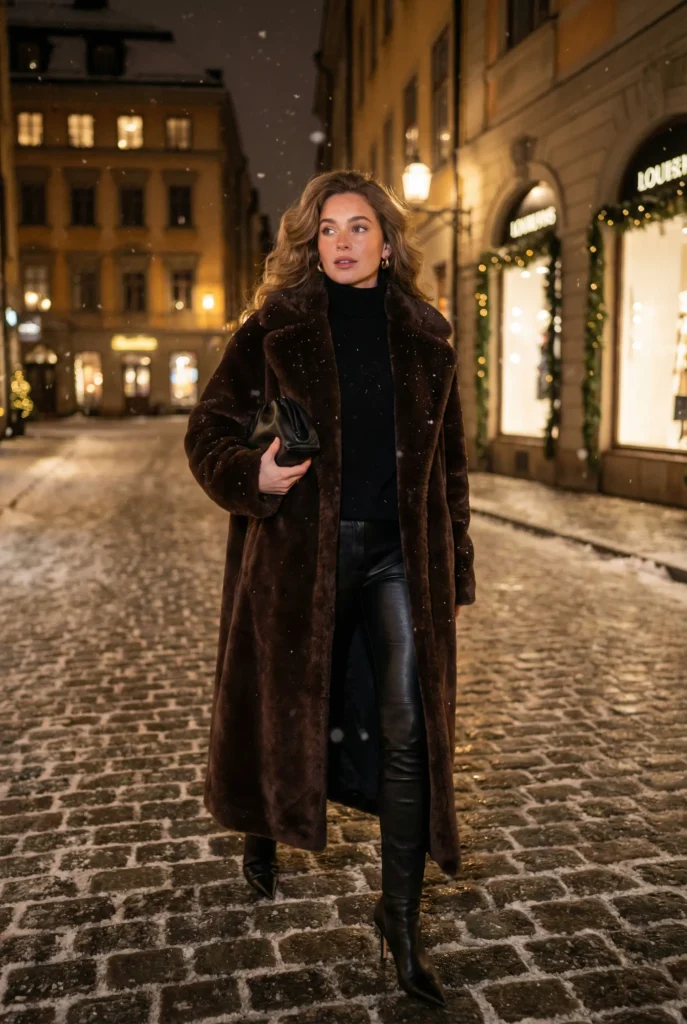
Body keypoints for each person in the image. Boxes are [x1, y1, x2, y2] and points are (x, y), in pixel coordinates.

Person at [184, 169, 476, 1009]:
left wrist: (452, 562)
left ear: (387, 241)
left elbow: (449, 467)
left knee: (408, 730)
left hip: (397, 559)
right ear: (310, 244)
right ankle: (260, 829)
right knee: (283, 708)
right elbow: (209, 430)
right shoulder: (275, 327)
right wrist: (258, 473)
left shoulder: (427, 335)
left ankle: (398, 920)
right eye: (326, 230)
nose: (341, 242)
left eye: (357, 227)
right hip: (298, 556)